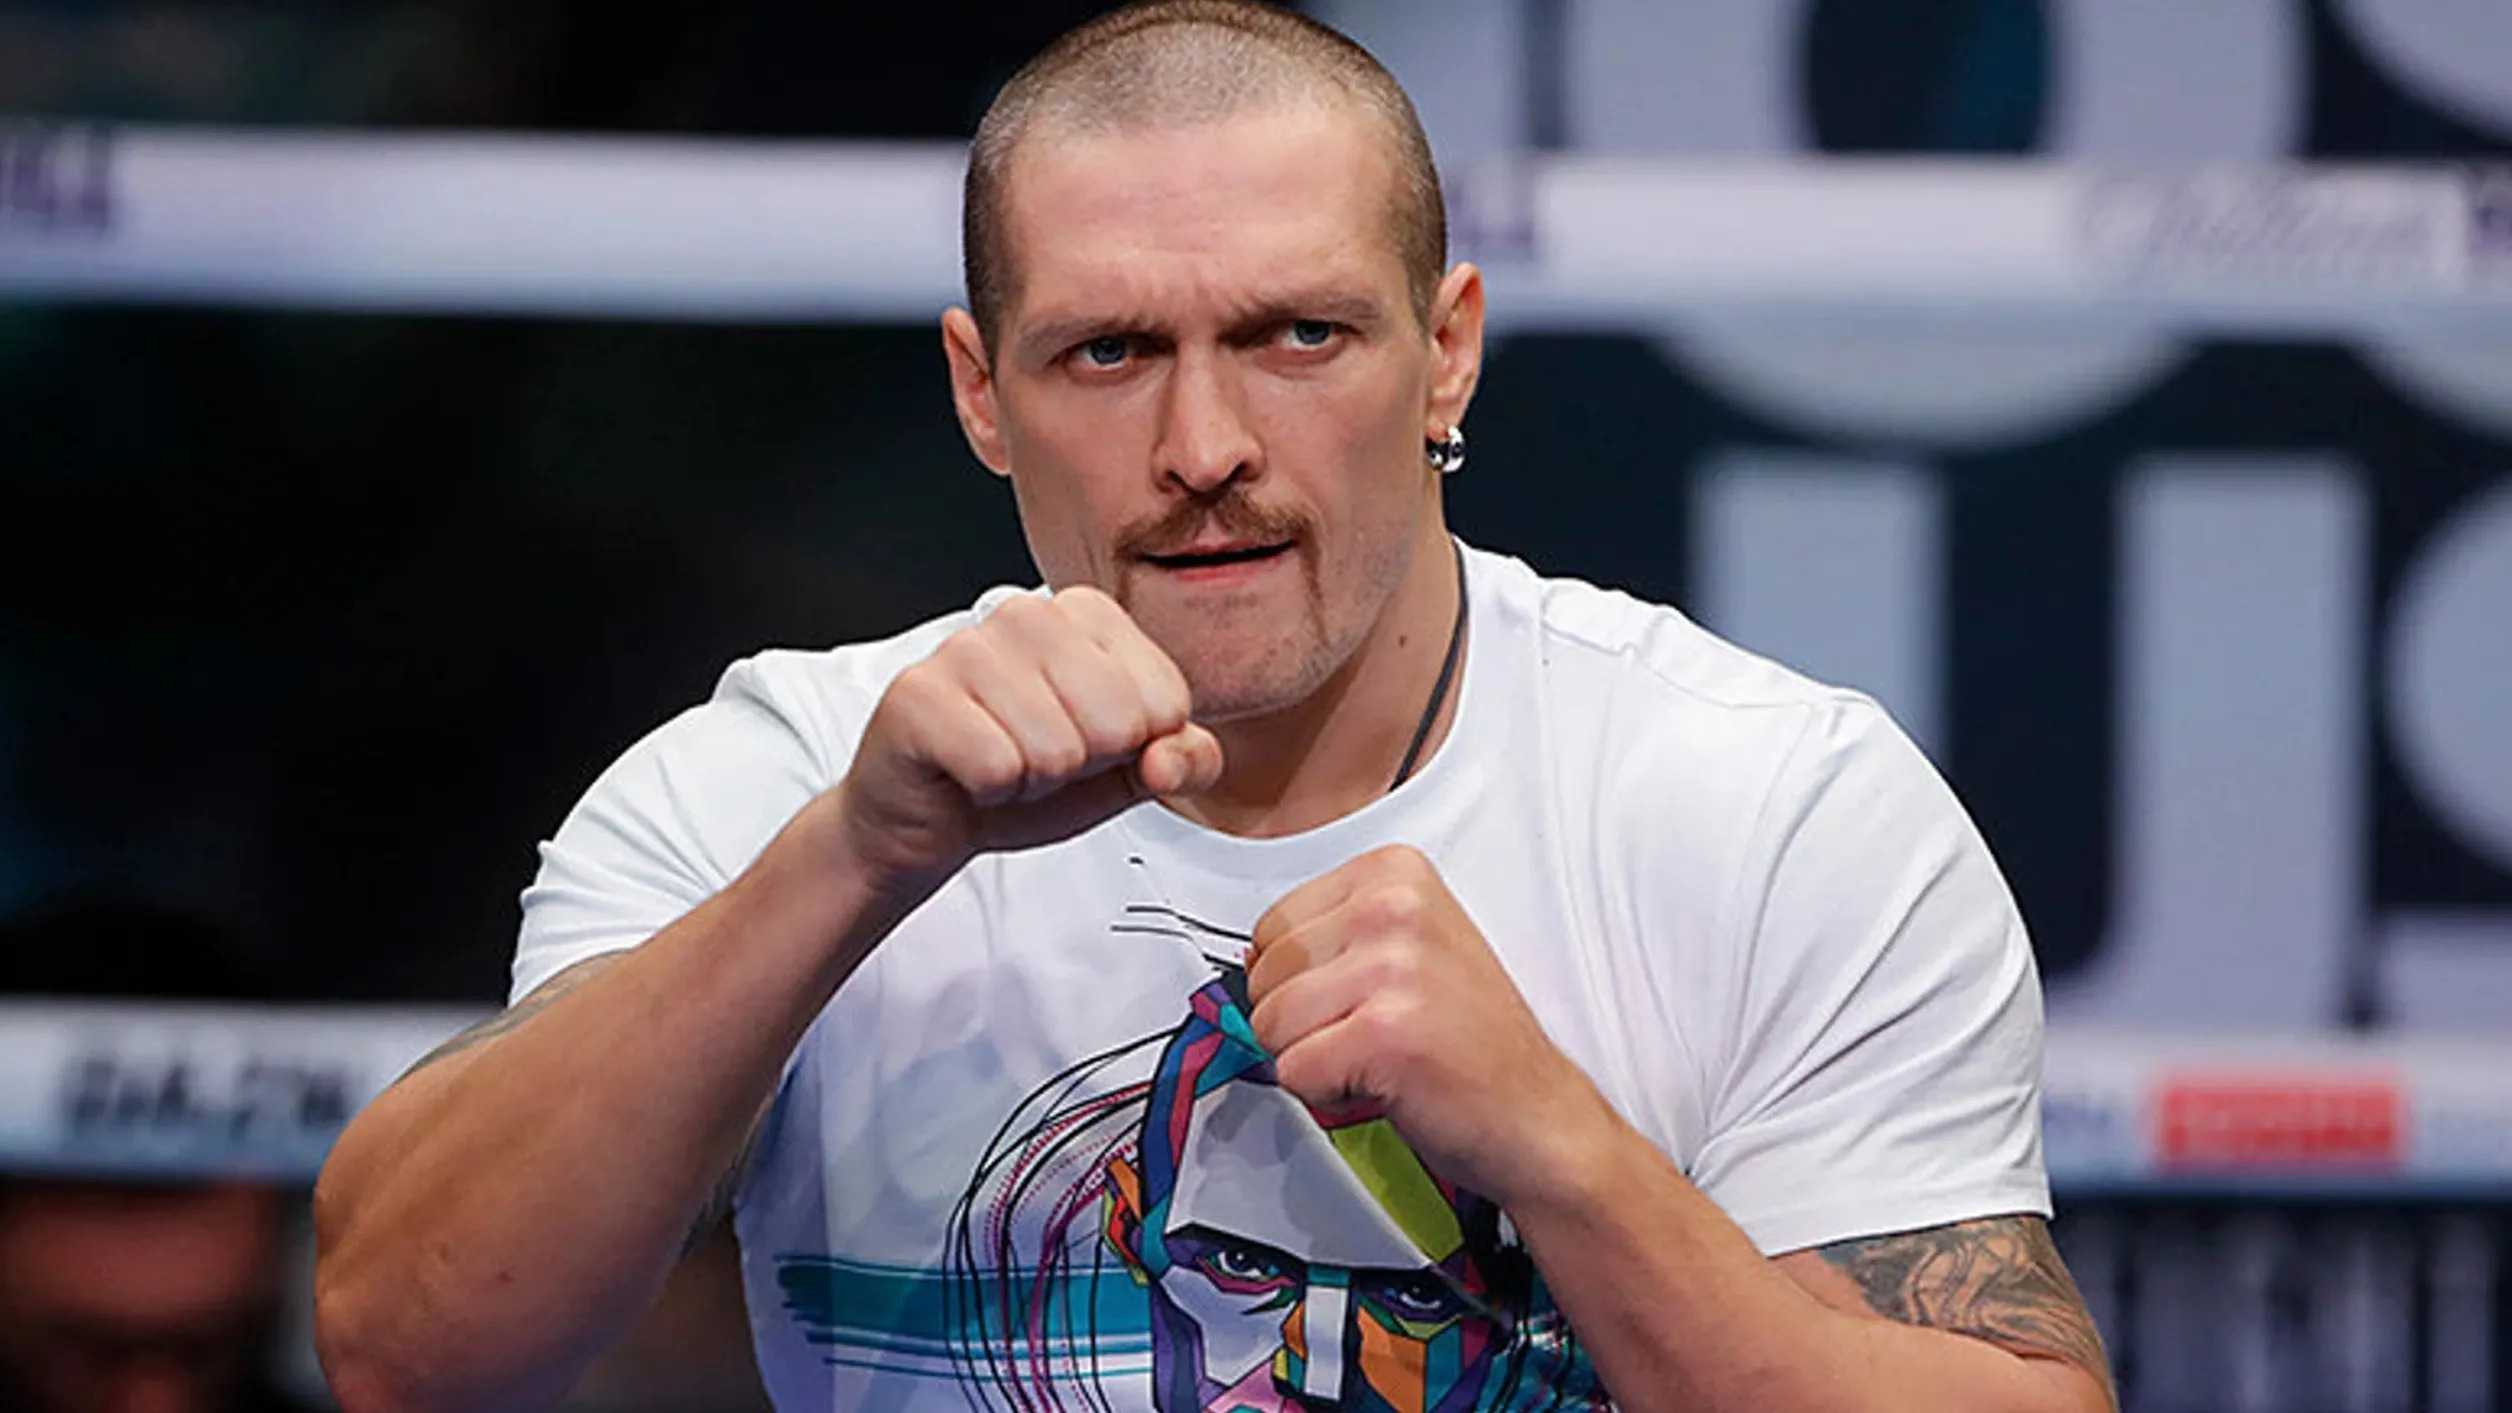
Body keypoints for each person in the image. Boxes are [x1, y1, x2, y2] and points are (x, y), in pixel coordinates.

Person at [311, 4, 2116, 1410]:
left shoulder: (1766, 801)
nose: (1204, 448)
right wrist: (851, 862)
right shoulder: (782, 780)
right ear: (981, 392)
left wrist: (1565, 1149)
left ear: (1448, 350)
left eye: (1296, 336)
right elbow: (404, 1343)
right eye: (1109, 351)